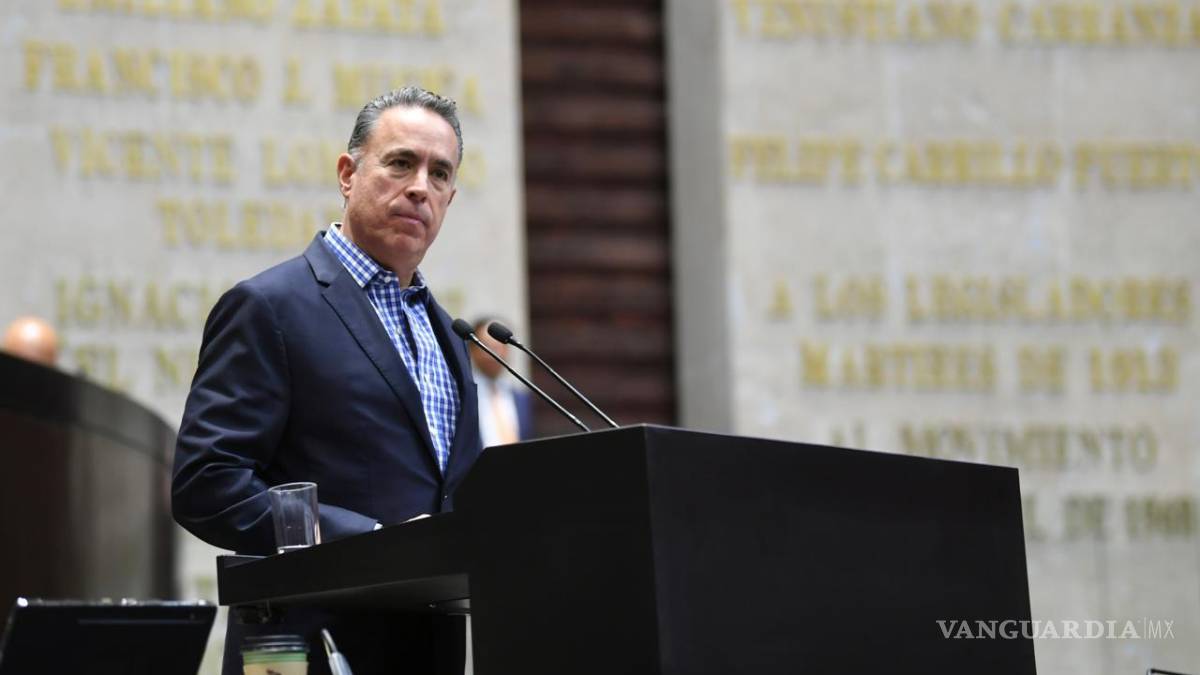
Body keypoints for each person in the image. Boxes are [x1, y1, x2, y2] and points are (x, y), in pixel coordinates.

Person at [171, 87, 481, 675]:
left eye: (439, 174)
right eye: (400, 163)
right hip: (303, 648)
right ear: (347, 174)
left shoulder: (449, 335)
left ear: (450, 197)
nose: (420, 187)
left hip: (429, 652)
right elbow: (207, 484)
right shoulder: (270, 307)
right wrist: (374, 540)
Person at [469, 317, 535, 446]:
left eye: (499, 346)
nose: (494, 353)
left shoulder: (521, 397)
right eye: (487, 346)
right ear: (472, 349)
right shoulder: (464, 396)